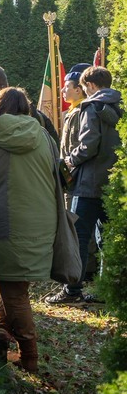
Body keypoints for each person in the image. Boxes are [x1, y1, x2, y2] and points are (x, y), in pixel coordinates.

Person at [0, 87, 57, 373]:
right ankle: (1, 337)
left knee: (14, 292)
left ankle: (30, 357)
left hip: (6, 221)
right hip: (43, 219)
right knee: (13, 284)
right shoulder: (42, 134)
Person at [48, 65, 123, 305]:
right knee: (107, 238)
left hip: (88, 182)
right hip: (113, 184)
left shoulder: (90, 107)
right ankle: (105, 290)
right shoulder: (120, 107)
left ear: (89, 86)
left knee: (78, 236)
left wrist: (70, 160)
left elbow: (88, 144)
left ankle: (72, 290)